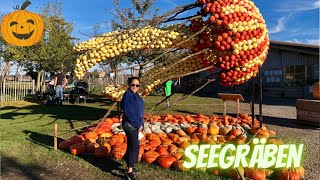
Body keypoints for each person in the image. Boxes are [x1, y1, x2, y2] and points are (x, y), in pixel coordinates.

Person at [121, 77, 144, 180]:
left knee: (135, 145)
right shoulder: (127, 95)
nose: (135, 87)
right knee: (133, 146)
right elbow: (129, 112)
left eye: (137, 85)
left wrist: (141, 123)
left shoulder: (137, 96)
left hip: (136, 124)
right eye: (133, 85)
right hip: (130, 124)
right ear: (129, 85)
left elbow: (140, 113)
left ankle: (130, 165)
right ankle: (129, 173)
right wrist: (138, 124)